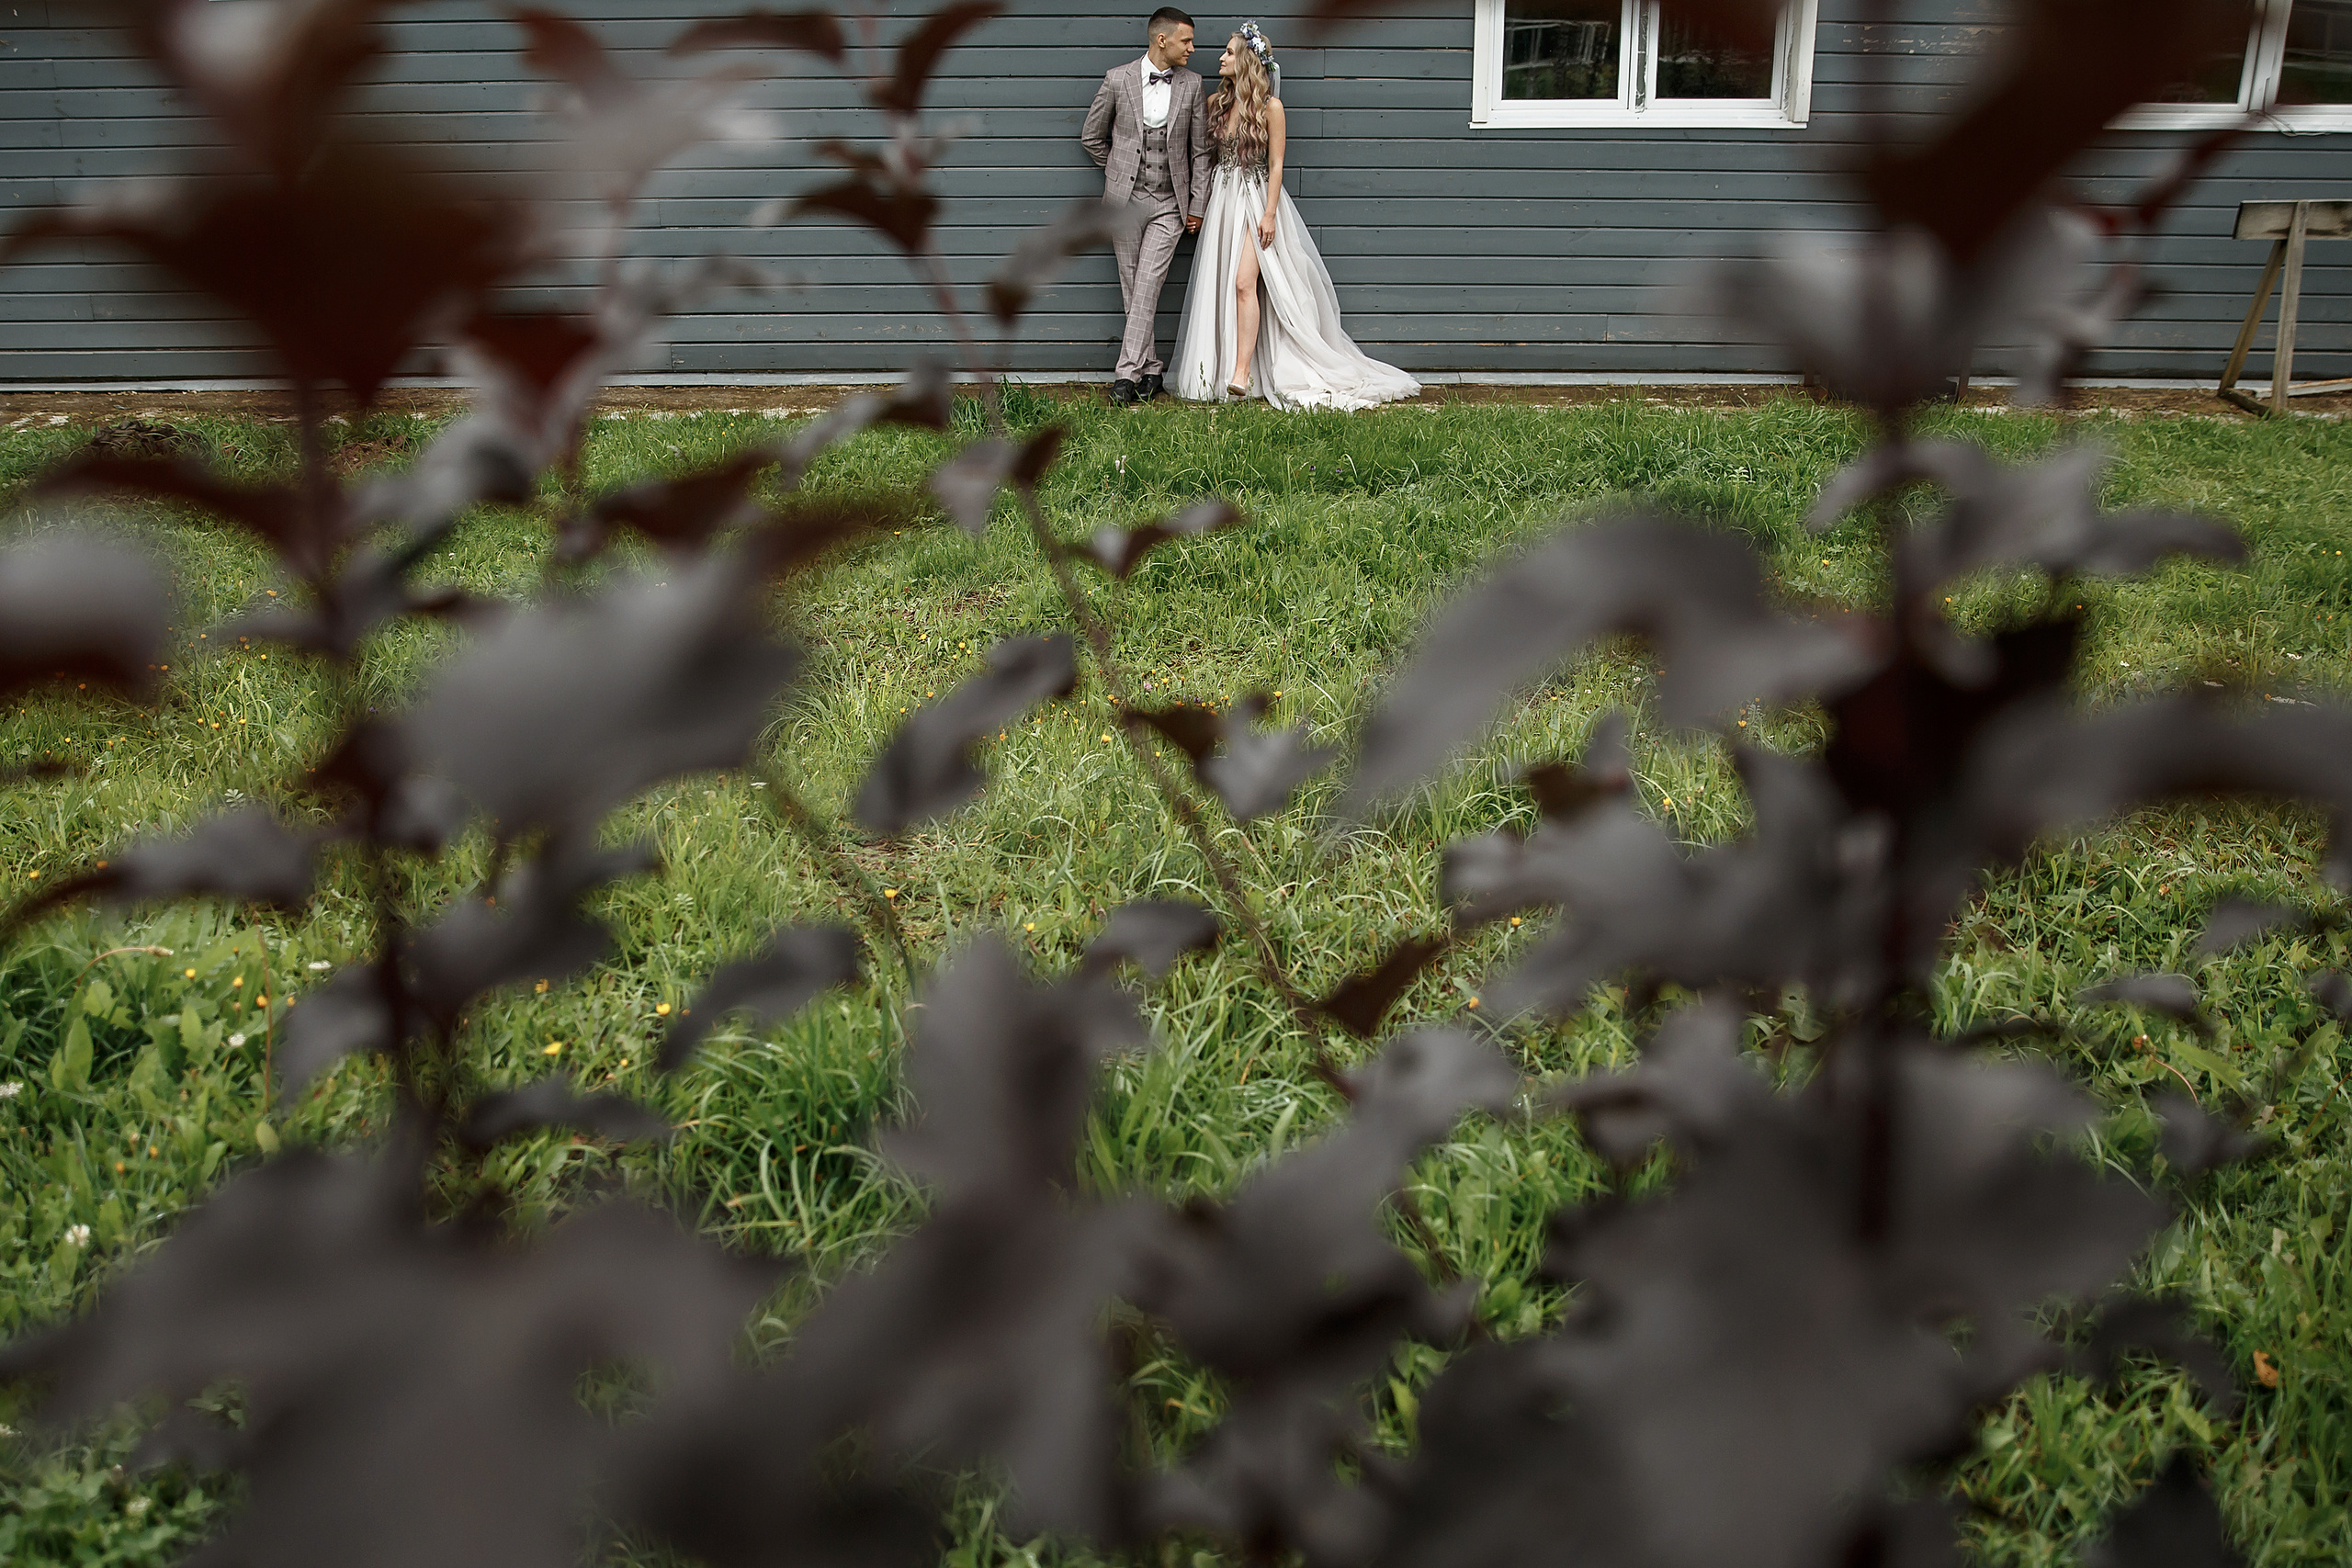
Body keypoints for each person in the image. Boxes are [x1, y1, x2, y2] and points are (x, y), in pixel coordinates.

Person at [1171, 21, 1419, 411]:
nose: (1221, 57)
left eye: (1230, 52)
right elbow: (1202, 159)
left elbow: (1276, 165)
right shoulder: (1216, 104)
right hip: (1223, 201)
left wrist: (1269, 214)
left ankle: (1240, 372)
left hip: (1256, 201)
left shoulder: (1271, 108)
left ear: (1248, 61)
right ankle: (1221, 369)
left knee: (1242, 282)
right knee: (1221, 283)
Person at [1081, 7, 1213, 406]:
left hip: (1170, 204)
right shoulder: (1117, 79)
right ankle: (1151, 369)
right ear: (1162, 40)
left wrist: (1197, 205)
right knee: (1133, 283)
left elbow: (1201, 152)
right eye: (1185, 40)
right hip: (1125, 201)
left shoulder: (1192, 85)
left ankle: (1125, 375)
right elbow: (1091, 137)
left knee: (1148, 282)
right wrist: (1120, 171)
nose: (1192, 48)